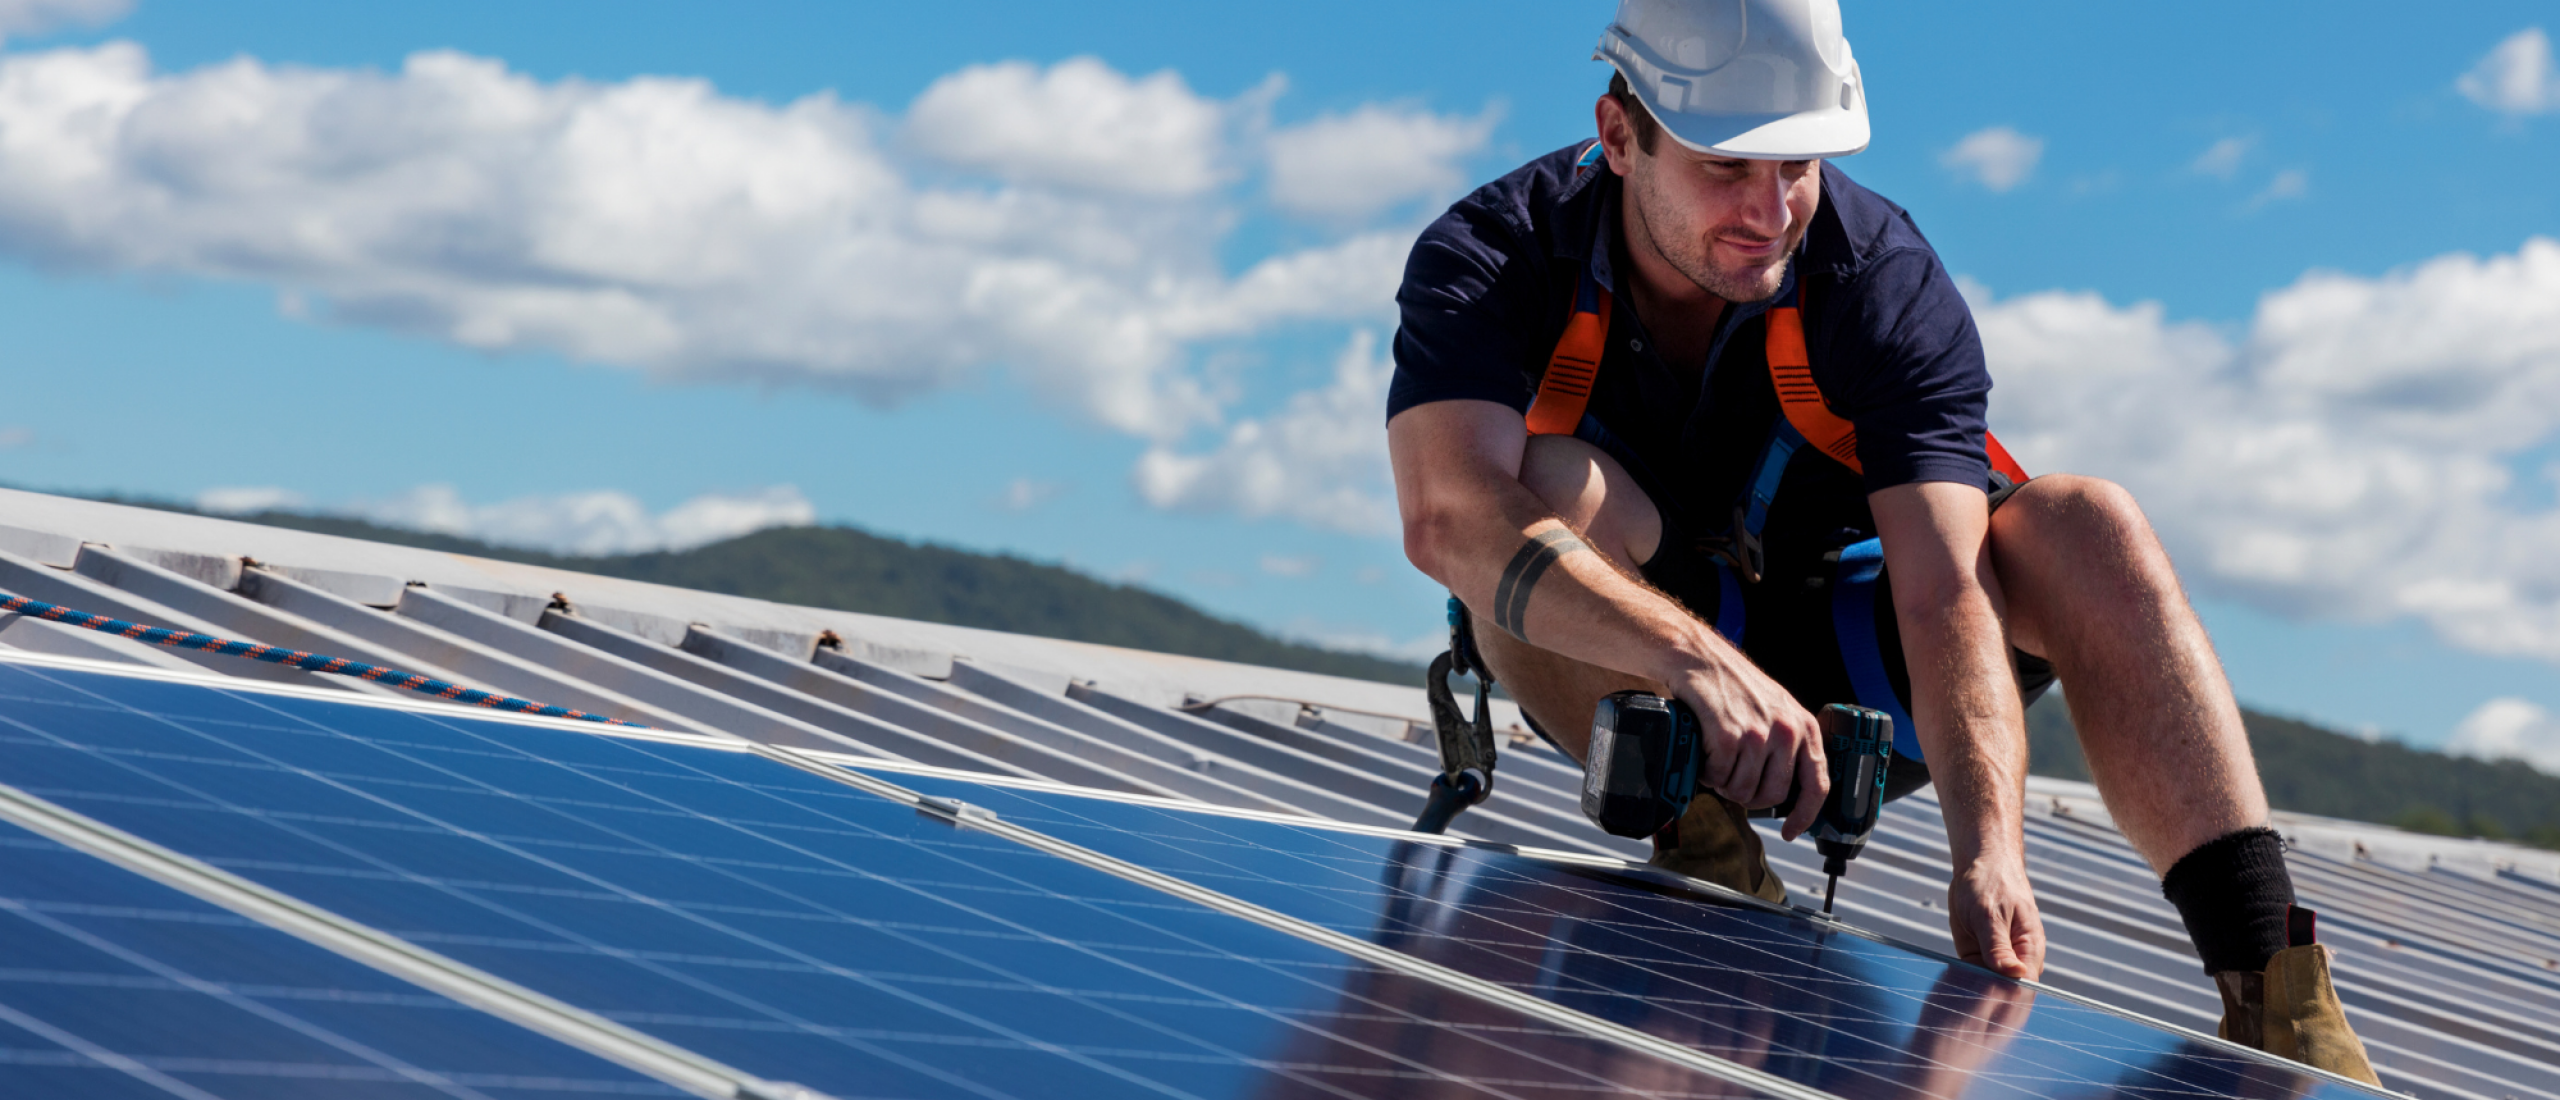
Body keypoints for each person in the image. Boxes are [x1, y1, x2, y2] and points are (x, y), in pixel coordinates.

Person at [1384, 0, 2380, 1082]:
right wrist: (1697, 665)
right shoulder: (1497, 252)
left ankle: (2278, 995)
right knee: (1529, 492)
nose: (1771, 211)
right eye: (1729, 168)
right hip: (1656, 683)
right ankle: (1710, 854)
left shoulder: (1879, 282)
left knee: (2086, 521)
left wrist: (1988, 850)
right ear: (1620, 139)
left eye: (1799, 166)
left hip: (1866, 672)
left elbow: (1947, 590)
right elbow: (1445, 517)